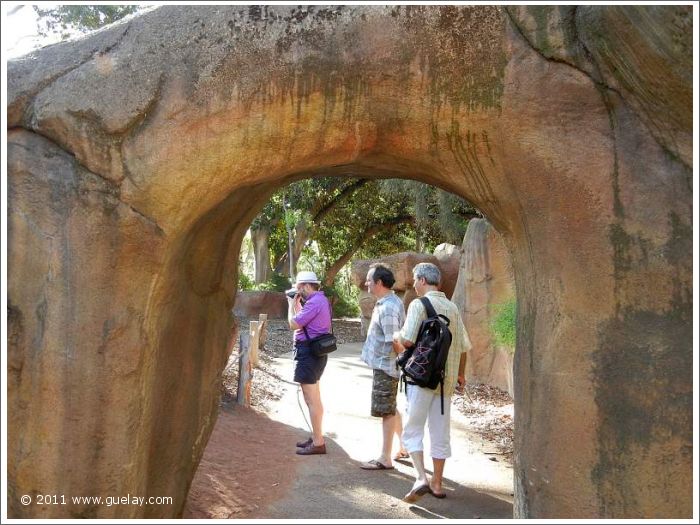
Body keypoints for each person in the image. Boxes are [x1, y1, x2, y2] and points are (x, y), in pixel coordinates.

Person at [393, 262, 471, 501]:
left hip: (421, 379)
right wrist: (459, 374)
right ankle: (437, 484)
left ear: (423, 280)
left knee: (413, 429)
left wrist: (396, 336)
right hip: (445, 382)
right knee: (440, 432)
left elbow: (406, 340)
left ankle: (420, 478)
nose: (415, 285)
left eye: (416, 280)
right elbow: (464, 347)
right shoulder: (453, 308)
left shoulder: (419, 304)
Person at [359, 264, 409, 470]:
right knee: (390, 406)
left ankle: (385, 457)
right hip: (384, 366)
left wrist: (404, 366)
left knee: (386, 411)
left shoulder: (388, 308)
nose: (366, 283)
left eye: (369, 280)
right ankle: (403, 444)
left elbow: (395, 342)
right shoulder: (387, 302)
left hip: (386, 367)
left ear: (379, 283)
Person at [287, 270, 332, 455]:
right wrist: (297, 303)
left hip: (309, 355)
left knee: (311, 398)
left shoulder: (314, 302)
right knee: (314, 398)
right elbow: (303, 321)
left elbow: (293, 324)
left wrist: (290, 305)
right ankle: (316, 436)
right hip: (314, 352)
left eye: (299, 288)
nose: (298, 292)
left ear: (306, 286)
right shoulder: (320, 300)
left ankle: (319, 442)